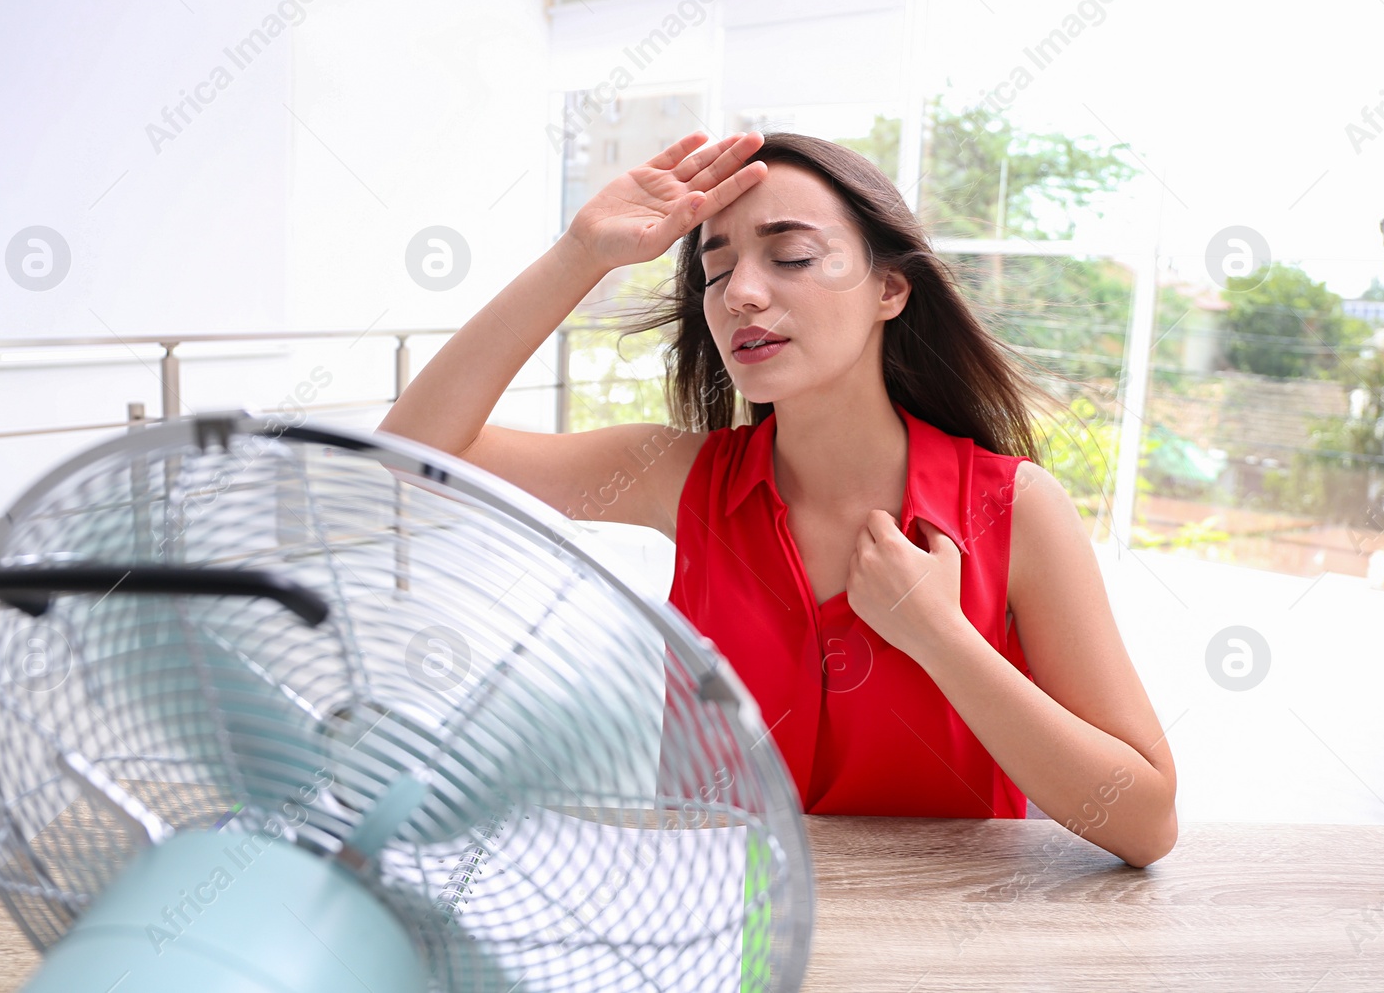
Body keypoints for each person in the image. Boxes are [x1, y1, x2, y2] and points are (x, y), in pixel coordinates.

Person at [378, 129, 1177, 868]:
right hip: (718, 939)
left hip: (940, 952)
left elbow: (1145, 822)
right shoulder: (678, 475)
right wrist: (580, 255)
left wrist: (941, 637)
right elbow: (410, 459)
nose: (740, 296)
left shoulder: (1015, 506)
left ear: (890, 289)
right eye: (716, 272)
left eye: (790, 255)